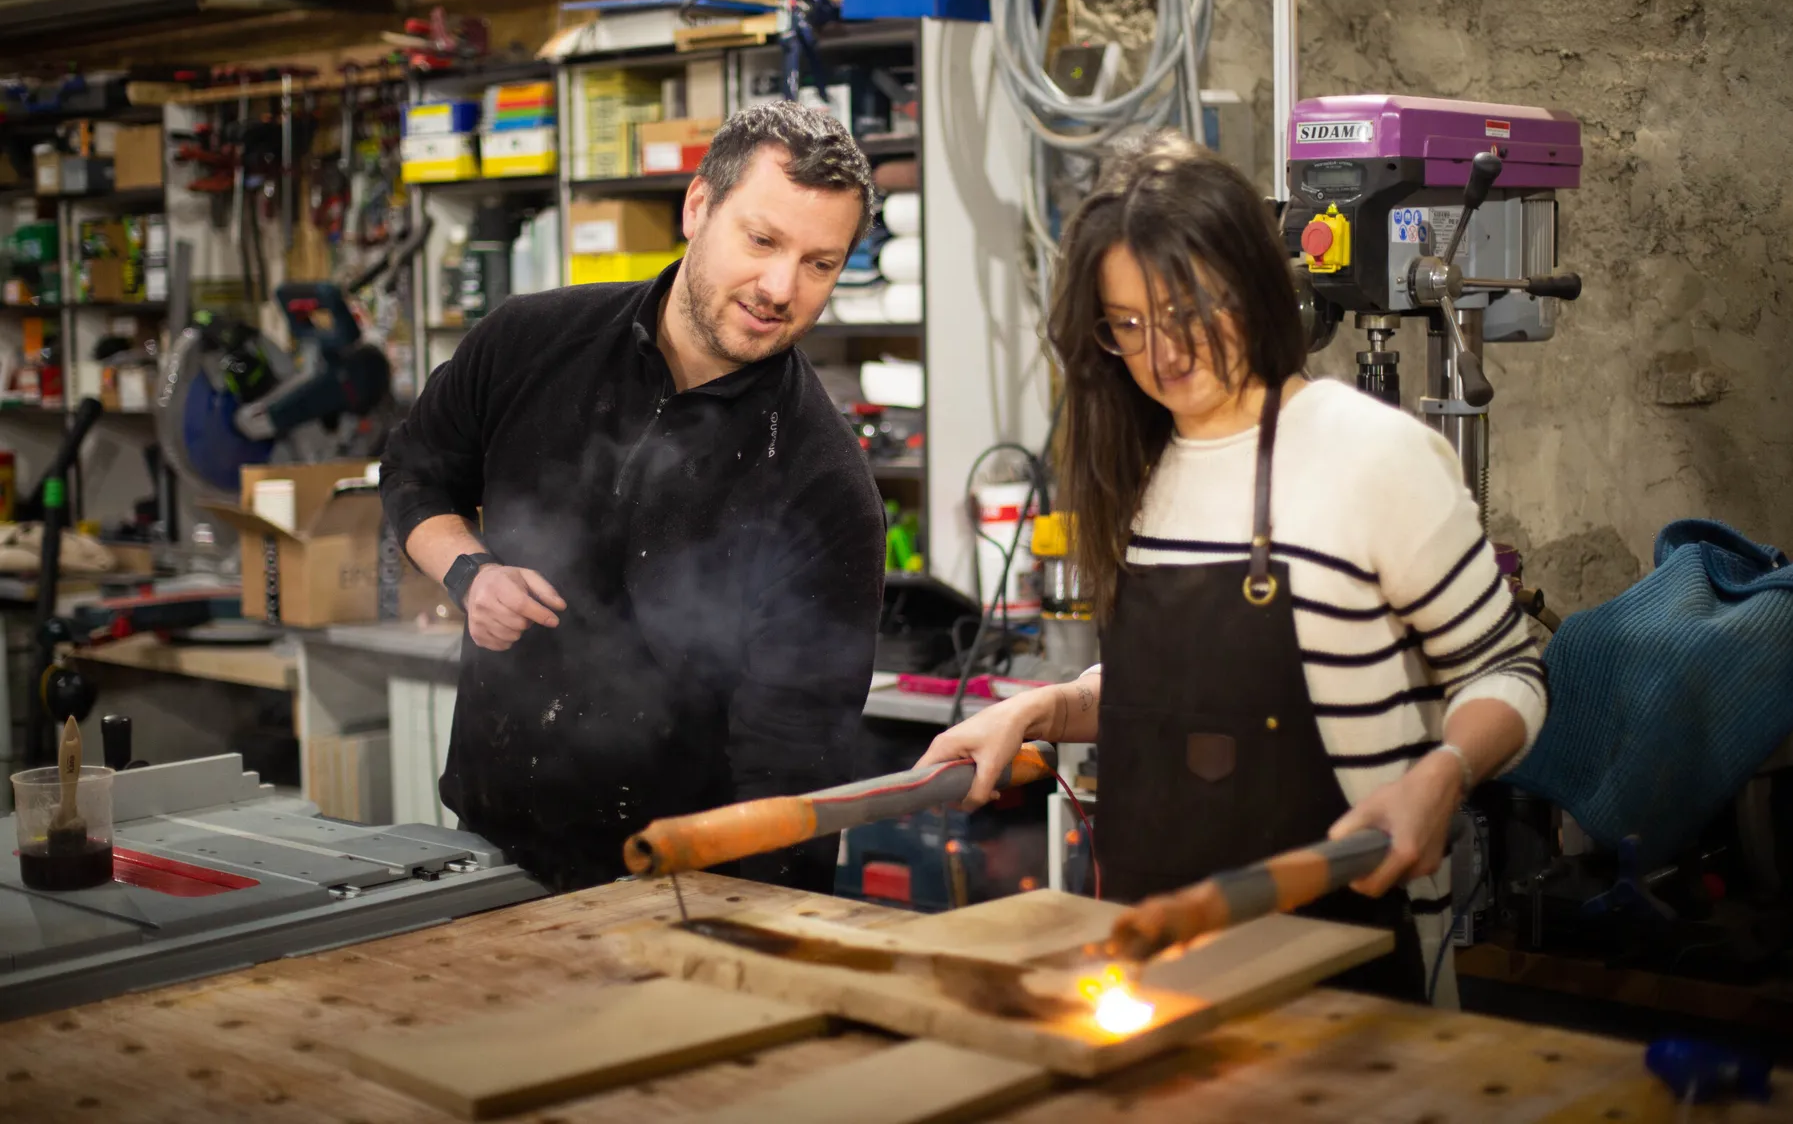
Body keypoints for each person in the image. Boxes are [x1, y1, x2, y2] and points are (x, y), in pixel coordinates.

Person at [916, 131, 1547, 1005]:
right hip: (1156, 967)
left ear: (1251, 285)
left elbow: (1510, 672)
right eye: (1129, 324)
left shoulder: (1369, 454)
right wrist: (1039, 712)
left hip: (1344, 968)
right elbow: (1173, 697)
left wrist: (1442, 775)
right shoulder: (1140, 470)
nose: (1164, 354)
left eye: (1186, 312)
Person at [379, 101, 887, 894]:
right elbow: (415, 471)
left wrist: (753, 932)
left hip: (677, 889)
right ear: (698, 207)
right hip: (487, 852)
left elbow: (793, 767)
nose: (780, 287)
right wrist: (470, 573)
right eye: (761, 241)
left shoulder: (822, 485)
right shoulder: (529, 341)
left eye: (819, 264)